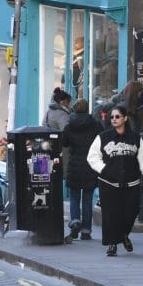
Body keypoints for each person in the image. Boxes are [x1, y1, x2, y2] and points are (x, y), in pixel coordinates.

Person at [86, 105, 143, 257]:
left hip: (131, 182)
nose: (114, 119)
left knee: (131, 212)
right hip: (109, 182)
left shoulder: (135, 138)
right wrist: (104, 169)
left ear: (125, 118)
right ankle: (112, 244)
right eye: (112, 117)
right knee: (111, 215)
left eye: (117, 116)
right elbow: (92, 157)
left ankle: (123, 234)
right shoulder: (103, 137)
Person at [60, 98, 100, 242]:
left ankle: (75, 221)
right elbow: (101, 141)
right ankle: (86, 231)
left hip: (75, 165)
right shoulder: (95, 125)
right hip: (90, 165)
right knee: (87, 200)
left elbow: (64, 143)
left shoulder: (69, 125)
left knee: (75, 198)